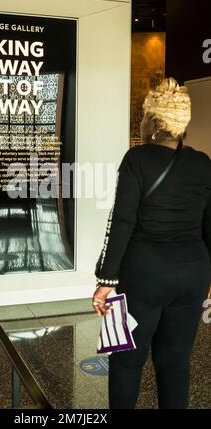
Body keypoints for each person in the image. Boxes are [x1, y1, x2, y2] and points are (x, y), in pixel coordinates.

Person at [93, 77, 211, 409]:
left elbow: (121, 222)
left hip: (141, 274)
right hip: (192, 274)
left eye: (144, 115)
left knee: (125, 360)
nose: (141, 122)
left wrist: (105, 280)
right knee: (175, 363)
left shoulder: (137, 159)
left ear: (154, 121)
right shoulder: (203, 163)